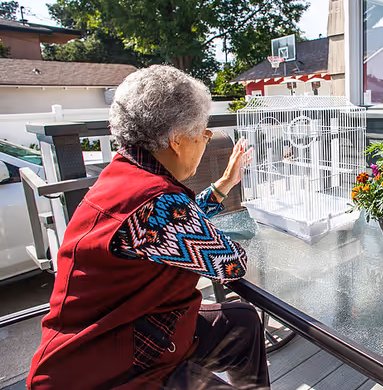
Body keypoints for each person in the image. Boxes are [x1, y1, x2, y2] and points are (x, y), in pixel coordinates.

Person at [27, 65, 269, 390]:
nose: (207, 140)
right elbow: (231, 264)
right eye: (203, 132)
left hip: (136, 330)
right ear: (176, 140)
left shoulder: (126, 174)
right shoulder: (157, 202)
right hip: (111, 368)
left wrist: (225, 184)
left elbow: (172, 228)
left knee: (242, 321)